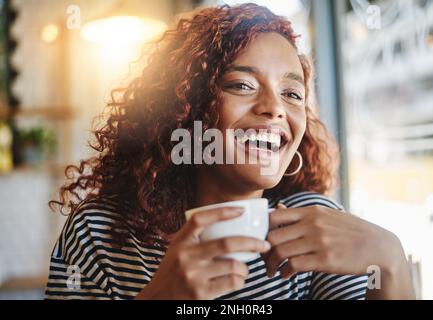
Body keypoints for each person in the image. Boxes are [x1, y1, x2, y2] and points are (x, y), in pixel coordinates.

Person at [45, 3, 414, 300]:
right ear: (186, 108)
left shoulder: (315, 228)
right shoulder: (97, 233)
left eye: (292, 94)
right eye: (242, 84)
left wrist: (390, 262)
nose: (275, 108)